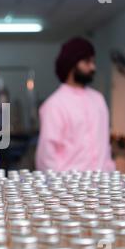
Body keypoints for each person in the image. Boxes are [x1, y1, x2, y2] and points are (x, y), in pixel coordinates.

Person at [35, 37, 115, 172]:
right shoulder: (55, 105)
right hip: (70, 189)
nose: (93, 67)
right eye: (87, 62)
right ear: (71, 64)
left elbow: (105, 147)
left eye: (93, 62)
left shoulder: (98, 100)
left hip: (102, 186)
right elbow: (46, 157)